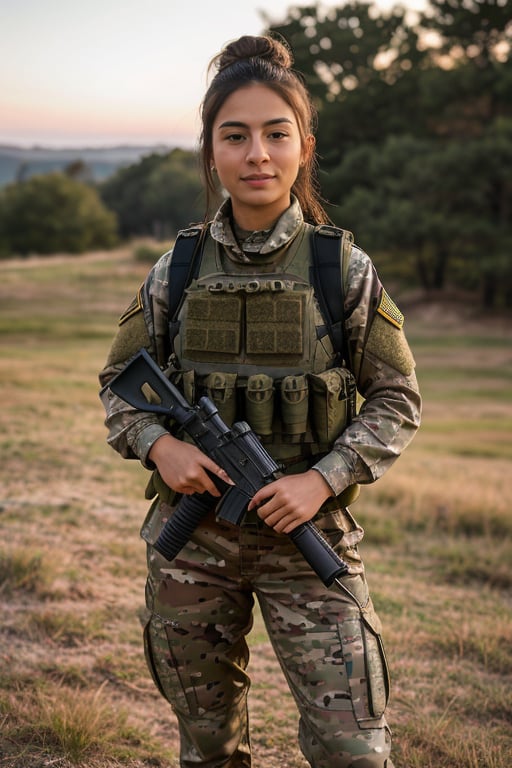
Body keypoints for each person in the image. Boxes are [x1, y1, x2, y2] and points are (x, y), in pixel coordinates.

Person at [99, 34, 421, 768]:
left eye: (276, 135)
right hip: (197, 546)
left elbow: (397, 398)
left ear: (304, 145)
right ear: (211, 151)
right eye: (234, 136)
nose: (257, 156)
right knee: (208, 745)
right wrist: (161, 445)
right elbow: (118, 389)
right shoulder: (176, 267)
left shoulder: (341, 268)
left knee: (354, 750)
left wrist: (322, 479)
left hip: (310, 543)